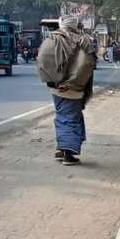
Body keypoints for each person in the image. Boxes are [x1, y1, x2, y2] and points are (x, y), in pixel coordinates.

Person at [45, 16, 96, 165]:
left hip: (57, 88)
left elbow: (46, 62)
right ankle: (68, 154)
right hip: (76, 89)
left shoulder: (54, 39)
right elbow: (90, 65)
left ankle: (61, 148)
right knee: (71, 120)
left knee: (62, 117)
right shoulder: (83, 40)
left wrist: (53, 82)